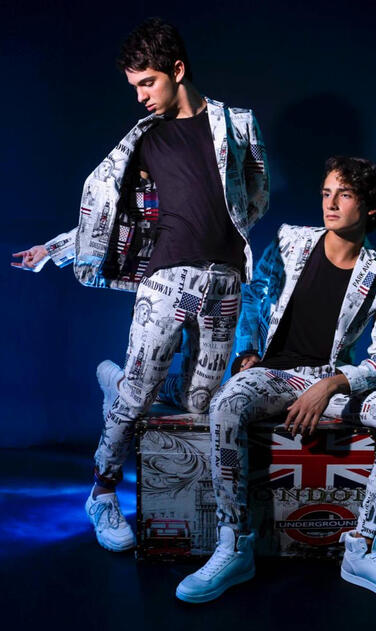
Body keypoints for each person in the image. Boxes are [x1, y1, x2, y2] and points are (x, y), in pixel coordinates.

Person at [11, 17, 269, 552]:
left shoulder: (237, 123)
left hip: (225, 283)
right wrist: (54, 250)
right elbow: (106, 218)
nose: (140, 96)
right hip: (167, 281)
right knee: (136, 399)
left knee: (200, 402)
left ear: (178, 70)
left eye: (147, 82)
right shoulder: (145, 142)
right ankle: (102, 492)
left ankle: (125, 384)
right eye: (134, 86)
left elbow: (256, 195)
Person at [176, 156, 376, 608]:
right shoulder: (291, 241)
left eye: (344, 195)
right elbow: (255, 294)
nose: (330, 203)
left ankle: (364, 549)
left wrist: (333, 384)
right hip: (274, 374)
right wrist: (247, 350)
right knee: (226, 404)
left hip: (333, 380)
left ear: (370, 207)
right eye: (326, 193)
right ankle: (234, 544)